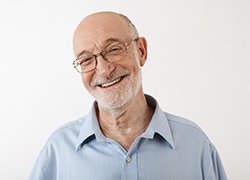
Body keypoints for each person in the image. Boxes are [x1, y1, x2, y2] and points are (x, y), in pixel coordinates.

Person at [29, 11, 228, 180]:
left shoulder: (195, 144)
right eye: (86, 59)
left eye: (114, 49)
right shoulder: (58, 149)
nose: (104, 70)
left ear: (141, 51)